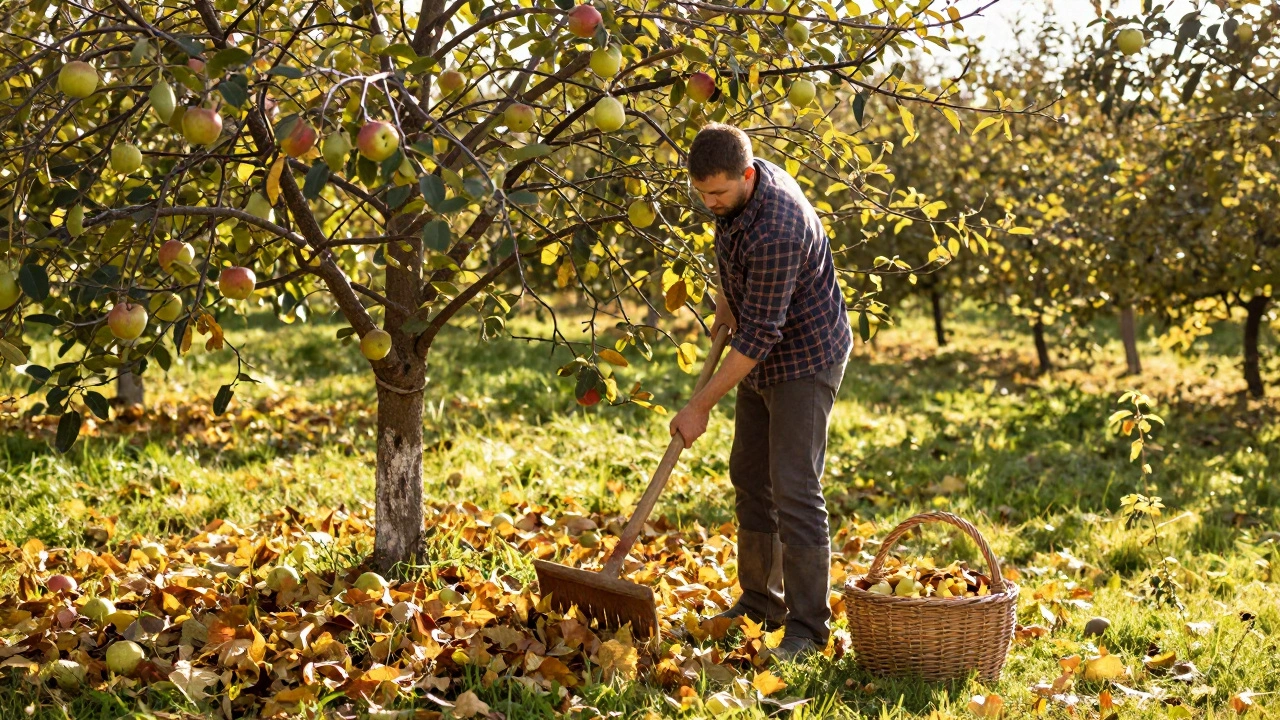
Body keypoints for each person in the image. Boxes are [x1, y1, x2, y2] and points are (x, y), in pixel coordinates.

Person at [668, 123, 853, 663]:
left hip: (804, 357)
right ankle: (758, 602)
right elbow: (731, 245)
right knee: (750, 474)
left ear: (747, 176)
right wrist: (728, 294)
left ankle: (807, 628)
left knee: (793, 485)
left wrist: (699, 404)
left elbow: (761, 336)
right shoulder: (736, 194)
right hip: (760, 344)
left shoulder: (778, 227)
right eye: (701, 193)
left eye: (718, 193)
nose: (709, 203)